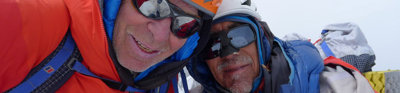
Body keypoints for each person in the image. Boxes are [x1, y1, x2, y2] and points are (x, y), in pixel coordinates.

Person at [0, 0, 213, 92]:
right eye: (153, 5)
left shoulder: (162, 85)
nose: (159, 36)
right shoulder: (31, 20)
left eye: (185, 24)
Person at [187, 0, 325, 92]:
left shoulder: (330, 83)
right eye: (212, 44)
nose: (229, 54)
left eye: (241, 36)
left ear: (262, 41)